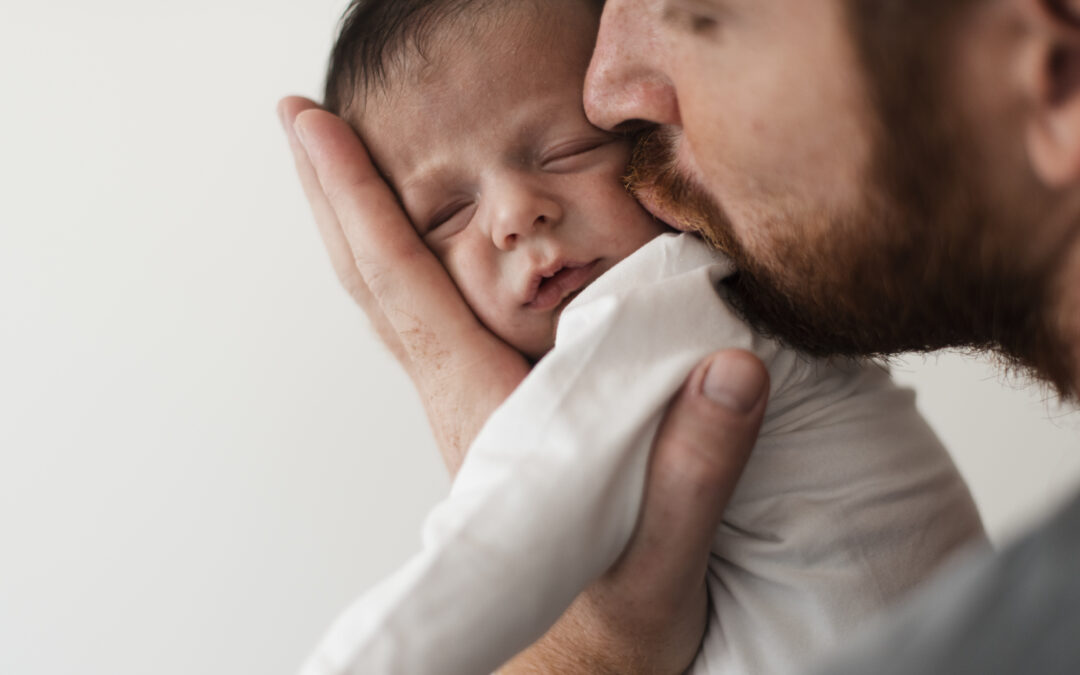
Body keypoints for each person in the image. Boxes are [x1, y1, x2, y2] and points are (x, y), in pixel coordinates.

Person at [279, 0, 1080, 671]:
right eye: (447, 216)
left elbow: (506, 531)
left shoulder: (668, 291)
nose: (516, 214)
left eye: (569, 148)